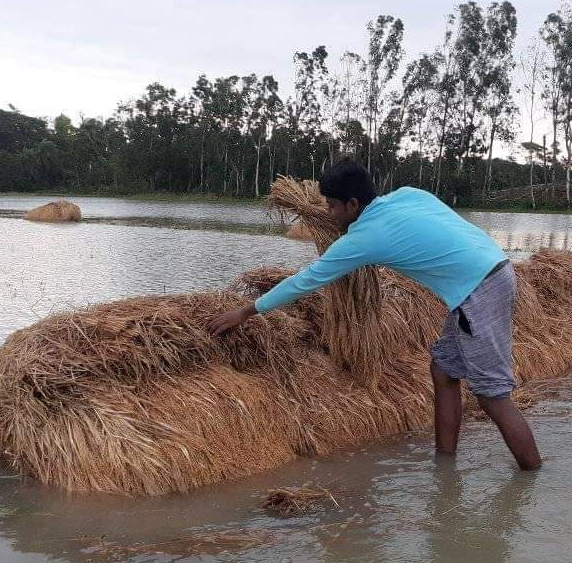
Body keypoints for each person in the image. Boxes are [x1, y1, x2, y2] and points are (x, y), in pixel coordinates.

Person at [207, 159, 542, 471]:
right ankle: (445, 465)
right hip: (493, 269)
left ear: (353, 205)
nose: (330, 213)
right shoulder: (409, 195)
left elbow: (306, 280)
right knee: (443, 369)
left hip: (478, 291)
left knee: (491, 396)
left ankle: (532, 477)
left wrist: (246, 311)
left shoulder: (364, 239)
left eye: (333, 207)